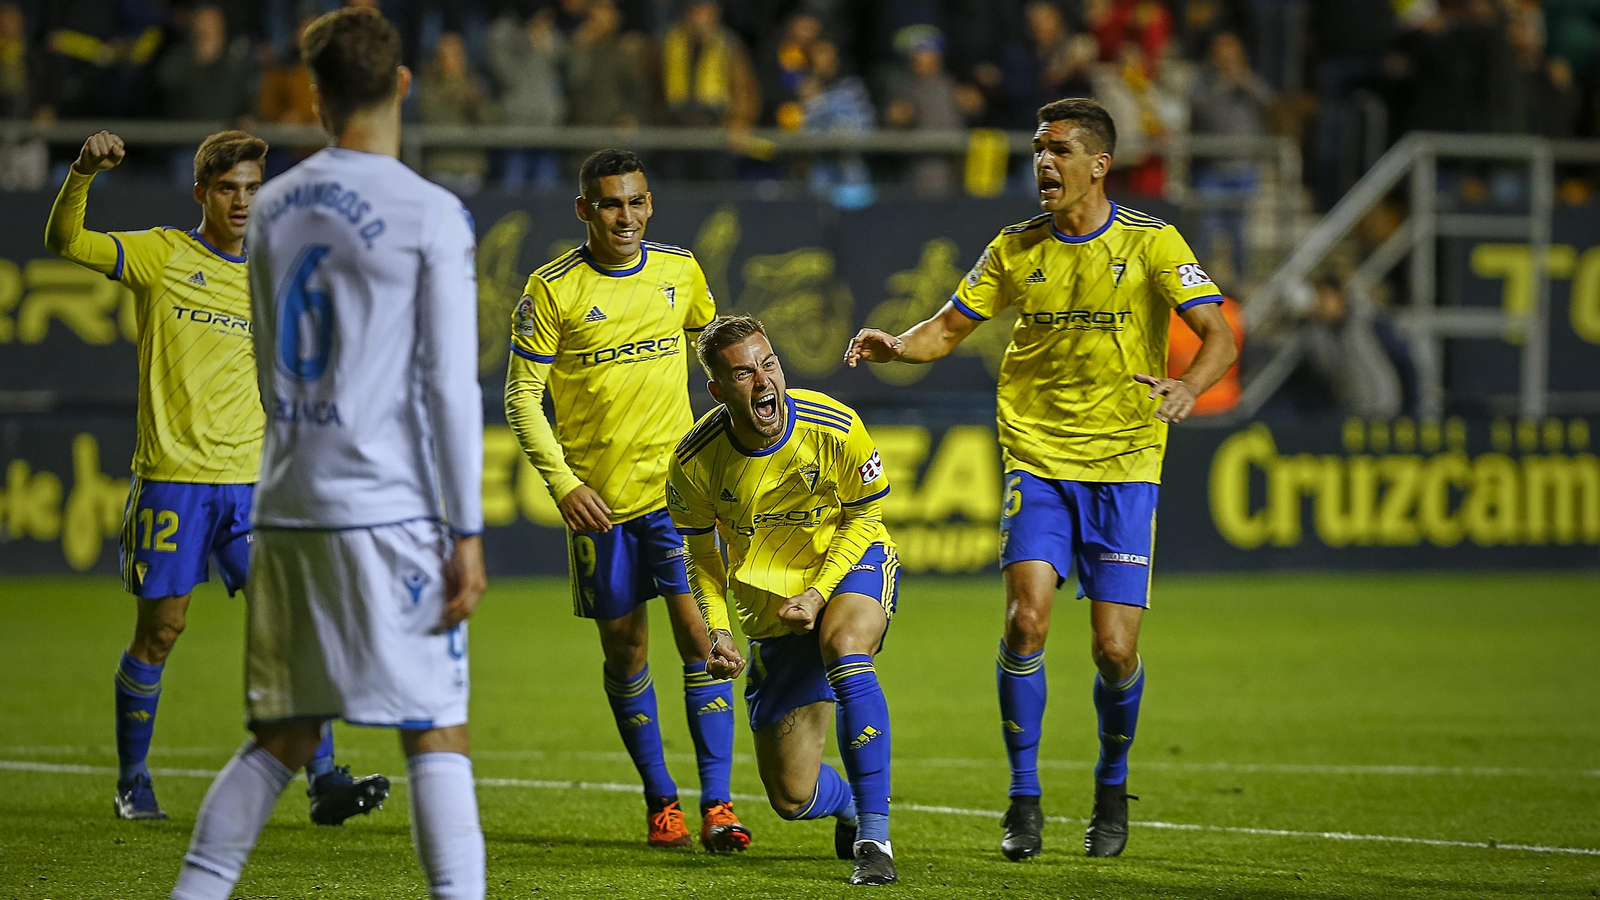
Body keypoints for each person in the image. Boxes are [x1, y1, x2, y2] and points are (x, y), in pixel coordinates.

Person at [845, 97, 1238, 861]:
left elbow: (1218, 333)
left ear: (1099, 163)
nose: (1043, 164)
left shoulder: (1154, 244)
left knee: (1114, 651)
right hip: (1038, 457)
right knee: (1026, 620)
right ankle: (1024, 799)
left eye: (1058, 150)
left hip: (1125, 464)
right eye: (1037, 149)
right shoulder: (1015, 246)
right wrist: (897, 346)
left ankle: (1111, 784)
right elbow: (948, 327)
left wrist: (1188, 388)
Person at [168, 8, 486, 899]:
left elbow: (272, 365)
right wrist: (465, 530)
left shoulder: (269, 206)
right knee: (435, 730)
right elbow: (447, 388)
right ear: (404, 86)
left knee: (285, 734)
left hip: (287, 499)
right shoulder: (430, 212)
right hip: (387, 510)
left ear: (316, 97)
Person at [44, 129, 387, 826]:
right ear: (202, 192)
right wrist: (82, 173)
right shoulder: (161, 255)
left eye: (253, 189)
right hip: (173, 480)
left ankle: (324, 778)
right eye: (228, 188)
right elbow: (67, 241)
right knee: (161, 632)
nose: (241, 201)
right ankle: (133, 781)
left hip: (252, 486)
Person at [504, 149, 750, 853]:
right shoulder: (551, 291)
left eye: (637, 201)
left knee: (705, 643)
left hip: (679, 500)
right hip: (600, 507)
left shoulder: (680, 270)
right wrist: (565, 483)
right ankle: (660, 799)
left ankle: (719, 806)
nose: (627, 216)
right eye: (611, 204)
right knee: (625, 649)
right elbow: (521, 397)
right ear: (584, 210)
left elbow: (714, 348)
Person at [667, 315, 899, 886]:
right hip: (772, 611)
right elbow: (702, 557)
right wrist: (718, 631)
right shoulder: (694, 462)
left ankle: (875, 835)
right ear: (717, 390)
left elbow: (865, 512)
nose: (764, 380)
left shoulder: (835, 426)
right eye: (743, 373)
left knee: (846, 647)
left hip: (848, 567)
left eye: (768, 363)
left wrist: (821, 592)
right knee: (792, 797)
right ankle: (847, 807)